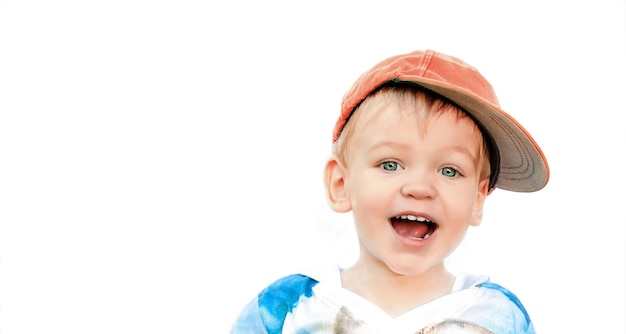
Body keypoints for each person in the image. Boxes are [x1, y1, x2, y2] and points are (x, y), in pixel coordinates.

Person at [230, 49, 549, 333]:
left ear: (478, 199)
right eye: (390, 164)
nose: (419, 188)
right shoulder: (286, 311)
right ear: (342, 185)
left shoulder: (499, 318)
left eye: (449, 170)